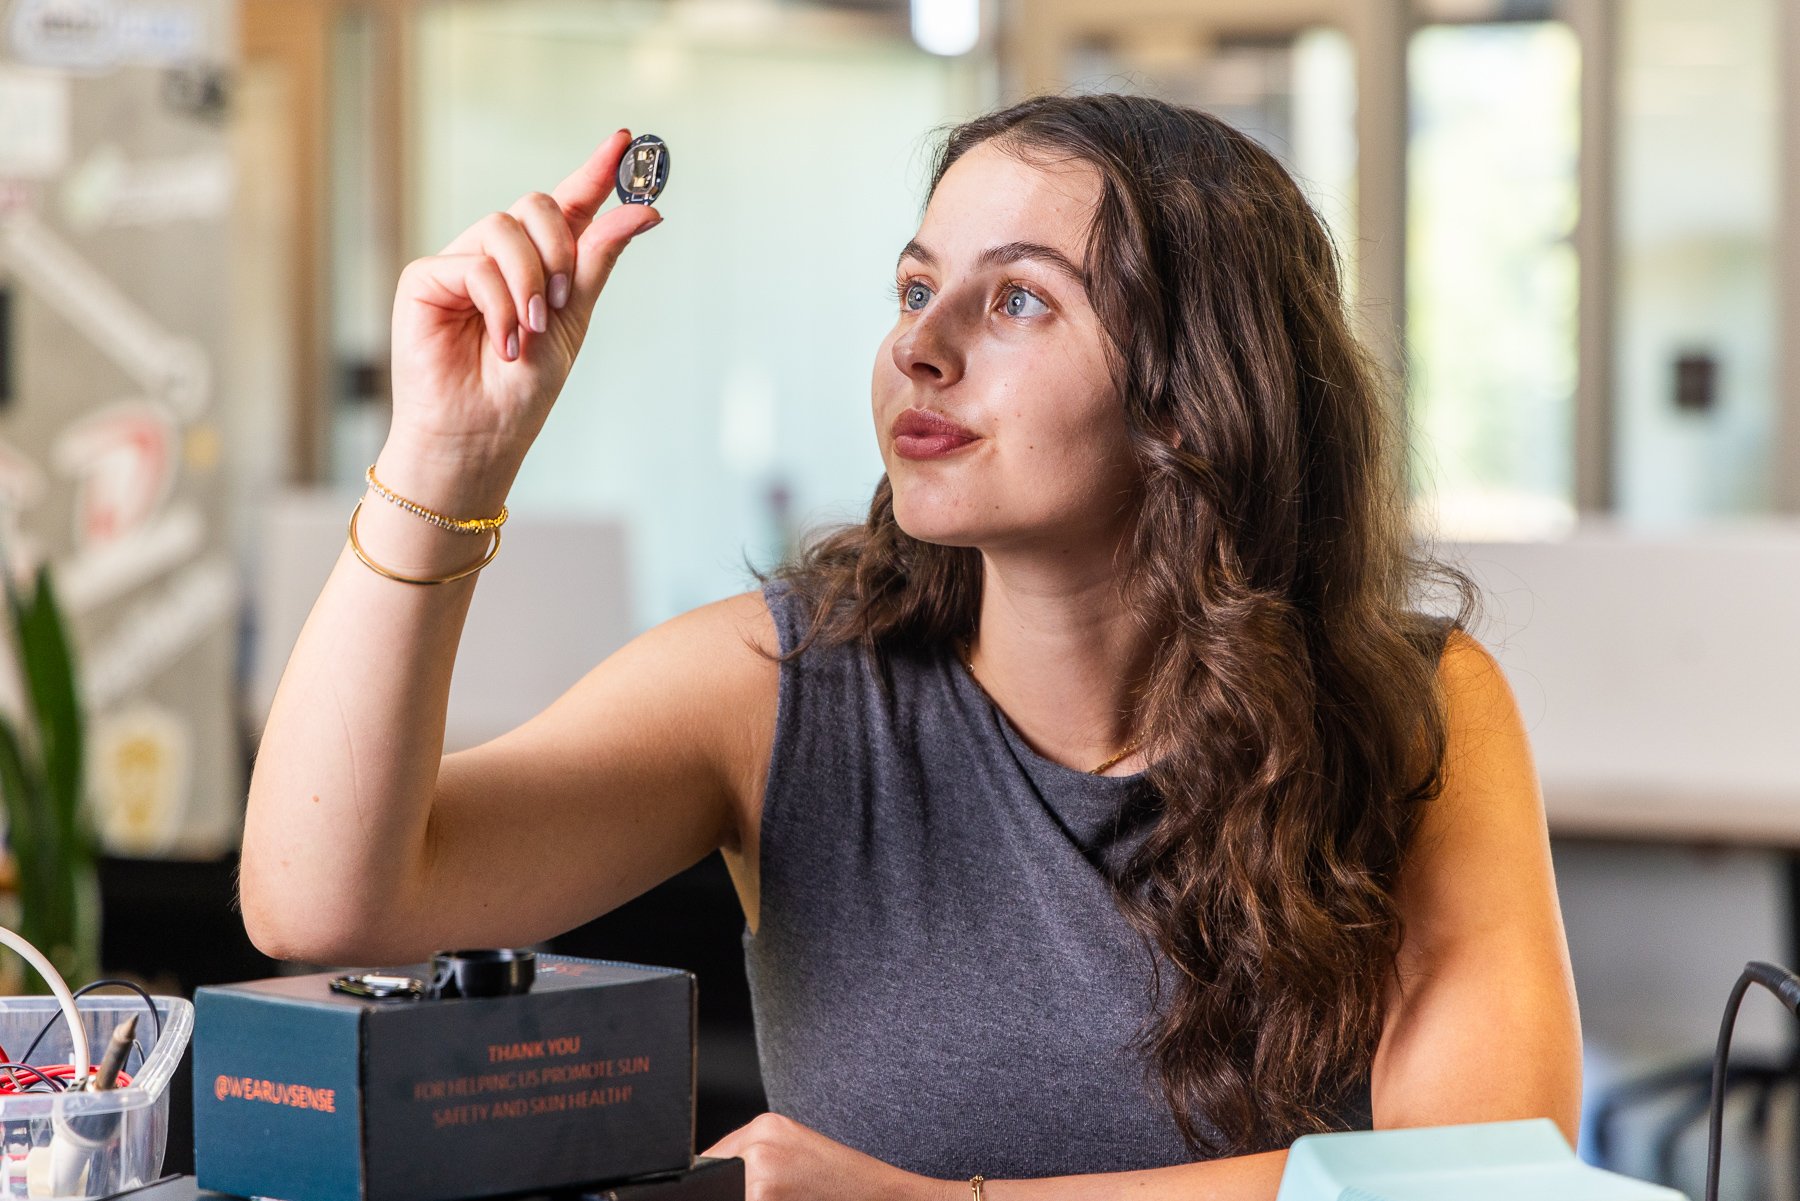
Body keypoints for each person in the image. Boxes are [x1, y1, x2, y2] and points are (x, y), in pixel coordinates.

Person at [242, 95, 1581, 1200]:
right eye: (916, 285)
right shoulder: (777, 689)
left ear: (1197, 391)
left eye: (1019, 304)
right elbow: (325, 903)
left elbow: (1487, 1182)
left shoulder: (1416, 709)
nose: (918, 348)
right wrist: (444, 453)